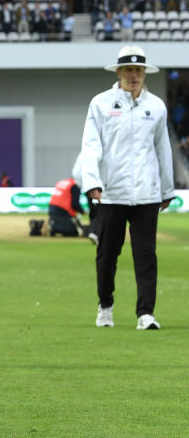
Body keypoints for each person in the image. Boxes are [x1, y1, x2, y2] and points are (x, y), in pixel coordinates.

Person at [78, 45, 174, 330]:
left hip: (146, 193)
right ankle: (105, 306)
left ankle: (145, 314)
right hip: (112, 193)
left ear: (145, 73)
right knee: (107, 254)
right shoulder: (100, 103)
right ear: (119, 72)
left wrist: (167, 189)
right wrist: (92, 181)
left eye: (139, 70)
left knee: (146, 256)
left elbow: (163, 149)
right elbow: (90, 145)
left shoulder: (156, 106)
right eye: (129, 70)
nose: (134, 75)